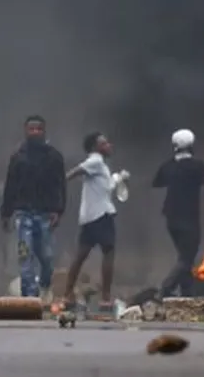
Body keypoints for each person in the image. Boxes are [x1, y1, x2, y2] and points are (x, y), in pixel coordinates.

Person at [0, 115, 66, 302]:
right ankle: (30, 296)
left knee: (47, 257)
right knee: (25, 255)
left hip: (45, 214)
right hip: (23, 215)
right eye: (32, 129)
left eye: (38, 129)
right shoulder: (18, 157)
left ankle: (44, 286)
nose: (35, 132)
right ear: (26, 130)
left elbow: (60, 185)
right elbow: (10, 186)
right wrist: (5, 213)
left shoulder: (54, 157)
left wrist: (58, 210)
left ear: (44, 131)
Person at [153, 129, 204, 298]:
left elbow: (157, 183)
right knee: (186, 258)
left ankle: (187, 294)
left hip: (171, 219)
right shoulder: (195, 165)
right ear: (191, 146)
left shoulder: (168, 165)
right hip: (188, 219)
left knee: (183, 257)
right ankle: (164, 290)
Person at [62, 132, 130, 310]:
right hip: (101, 216)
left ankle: (67, 294)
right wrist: (60, 182)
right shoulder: (96, 161)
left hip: (89, 217)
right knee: (108, 254)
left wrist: (118, 178)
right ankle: (106, 297)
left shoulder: (101, 165)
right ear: (94, 147)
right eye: (104, 143)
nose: (109, 145)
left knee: (80, 256)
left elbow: (106, 188)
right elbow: (76, 172)